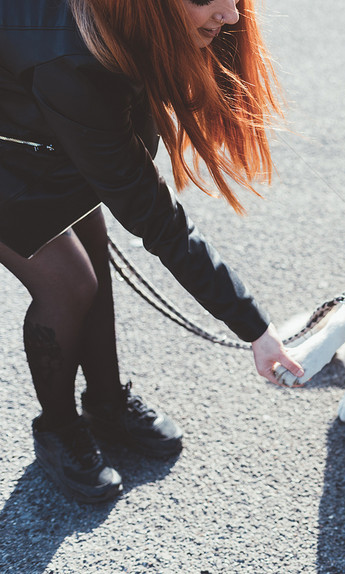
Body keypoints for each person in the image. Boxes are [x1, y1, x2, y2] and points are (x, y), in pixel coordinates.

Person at [0, 0, 305, 504]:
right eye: (205, 0)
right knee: (71, 283)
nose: (230, 15)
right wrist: (254, 327)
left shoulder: (118, 29)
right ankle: (56, 428)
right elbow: (158, 221)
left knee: (92, 249)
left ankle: (105, 403)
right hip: (21, 137)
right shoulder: (75, 67)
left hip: (38, 126)